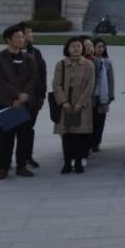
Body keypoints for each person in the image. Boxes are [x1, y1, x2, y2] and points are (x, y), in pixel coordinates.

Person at [0, 25, 37, 180]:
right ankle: (3, 168)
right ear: (8, 40)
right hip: (6, 103)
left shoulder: (29, 58)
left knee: (24, 136)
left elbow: (33, 79)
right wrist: (17, 95)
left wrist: (23, 96)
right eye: (18, 37)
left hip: (24, 103)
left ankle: (21, 166)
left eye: (22, 36)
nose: (21, 39)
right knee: (5, 137)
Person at [52, 36, 95, 174]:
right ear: (67, 48)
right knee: (67, 135)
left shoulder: (89, 65)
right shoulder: (61, 65)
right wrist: (64, 102)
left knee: (80, 136)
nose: (76, 49)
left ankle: (78, 162)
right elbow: (56, 85)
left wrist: (80, 103)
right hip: (66, 105)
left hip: (81, 106)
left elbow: (90, 86)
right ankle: (67, 163)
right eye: (73, 46)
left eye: (79, 46)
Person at [19, 22, 46, 169]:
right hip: (15, 101)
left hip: (33, 100)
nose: (31, 34)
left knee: (28, 130)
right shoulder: (10, 53)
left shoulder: (36, 52)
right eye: (29, 32)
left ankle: (26, 157)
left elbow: (42, 75)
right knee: (9, 132)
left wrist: (42, 96)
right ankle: (5, 164)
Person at [90, 38, 115, 153]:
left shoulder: (107, 62)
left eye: (102, 47)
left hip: (103, 96)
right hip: (92, 96)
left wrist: (111, 95)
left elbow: (111, 80)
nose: (100, 49)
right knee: (90, 120)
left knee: (100, 121)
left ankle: (96, 143)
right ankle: (88, 142)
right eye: (98, 46)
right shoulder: (90, 61)